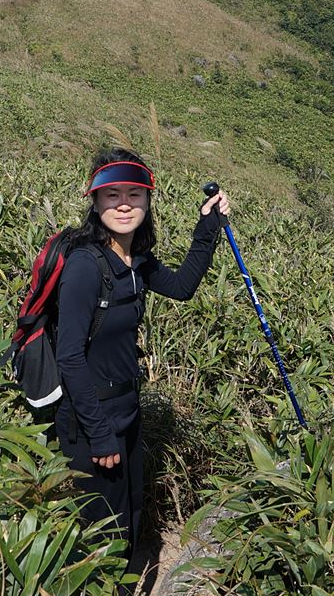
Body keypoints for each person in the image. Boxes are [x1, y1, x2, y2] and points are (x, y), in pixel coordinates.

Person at [54, 148, 230, 549]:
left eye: (134, 194)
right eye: (112, 194)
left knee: (130, 516)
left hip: (127, 412)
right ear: (95, 201)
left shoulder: (136, 262)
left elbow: (182, 287)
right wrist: (100, 434)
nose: (123, 204)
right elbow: (70, 357)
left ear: (148, 201)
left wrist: (208, 226)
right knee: (105, 535)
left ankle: (131, 587)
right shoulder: (85, 265)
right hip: (91, 421)